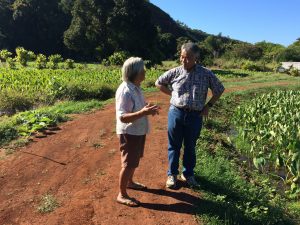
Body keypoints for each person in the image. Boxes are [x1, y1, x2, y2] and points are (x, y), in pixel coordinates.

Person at [155, 42, 225, 188]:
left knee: (190, 146)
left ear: (196, 58)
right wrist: (172, 94)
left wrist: (208, 106)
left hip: (195, 116)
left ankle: (188, 174)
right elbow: (159, 82)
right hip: (176, 113)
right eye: (182, 57)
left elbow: (219, 89)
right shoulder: (175, 72)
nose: (184, 60)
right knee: (174, 145)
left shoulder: (206, 74)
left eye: (188, 58)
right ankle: (172, 175)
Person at [115, 57, 160, 207]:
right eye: (142, 69)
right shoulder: (126, 91)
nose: (145, 71)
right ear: (135, 72)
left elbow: (138, 108)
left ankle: (130, 182)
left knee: (134, 161)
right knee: (128, 163)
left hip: (138, 131)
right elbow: (123, 117)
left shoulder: (136, 87)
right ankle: (122, 194)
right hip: (130, 133)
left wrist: (147, 109)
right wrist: (143, 112)